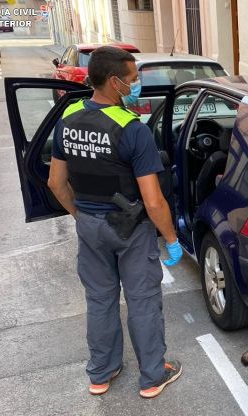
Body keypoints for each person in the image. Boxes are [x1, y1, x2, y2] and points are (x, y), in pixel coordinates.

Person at [47, 46, 183, 398]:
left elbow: (55, 184)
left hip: (90, 225)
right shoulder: (133, 130)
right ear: (114, 82)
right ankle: (153, 377)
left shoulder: (68, 117)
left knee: (100, 299)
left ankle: (101, 374)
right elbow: (153, 201)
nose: (137, 84)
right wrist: (170, 238)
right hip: (130, 229)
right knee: (142, 301)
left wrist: (80, 215)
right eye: (134, 79)